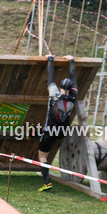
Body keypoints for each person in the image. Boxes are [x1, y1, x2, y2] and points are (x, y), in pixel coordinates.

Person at [37, 55, 78, 191]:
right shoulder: (73, 97)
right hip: (61, 133)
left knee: (42, 156)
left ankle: (47, 182)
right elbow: (73, 77)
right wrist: (71, 60)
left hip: (49, 131)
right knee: (44, 144)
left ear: (60, 87)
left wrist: (50, 59)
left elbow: (51, 77)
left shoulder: (54, 93)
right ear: (71, 88)